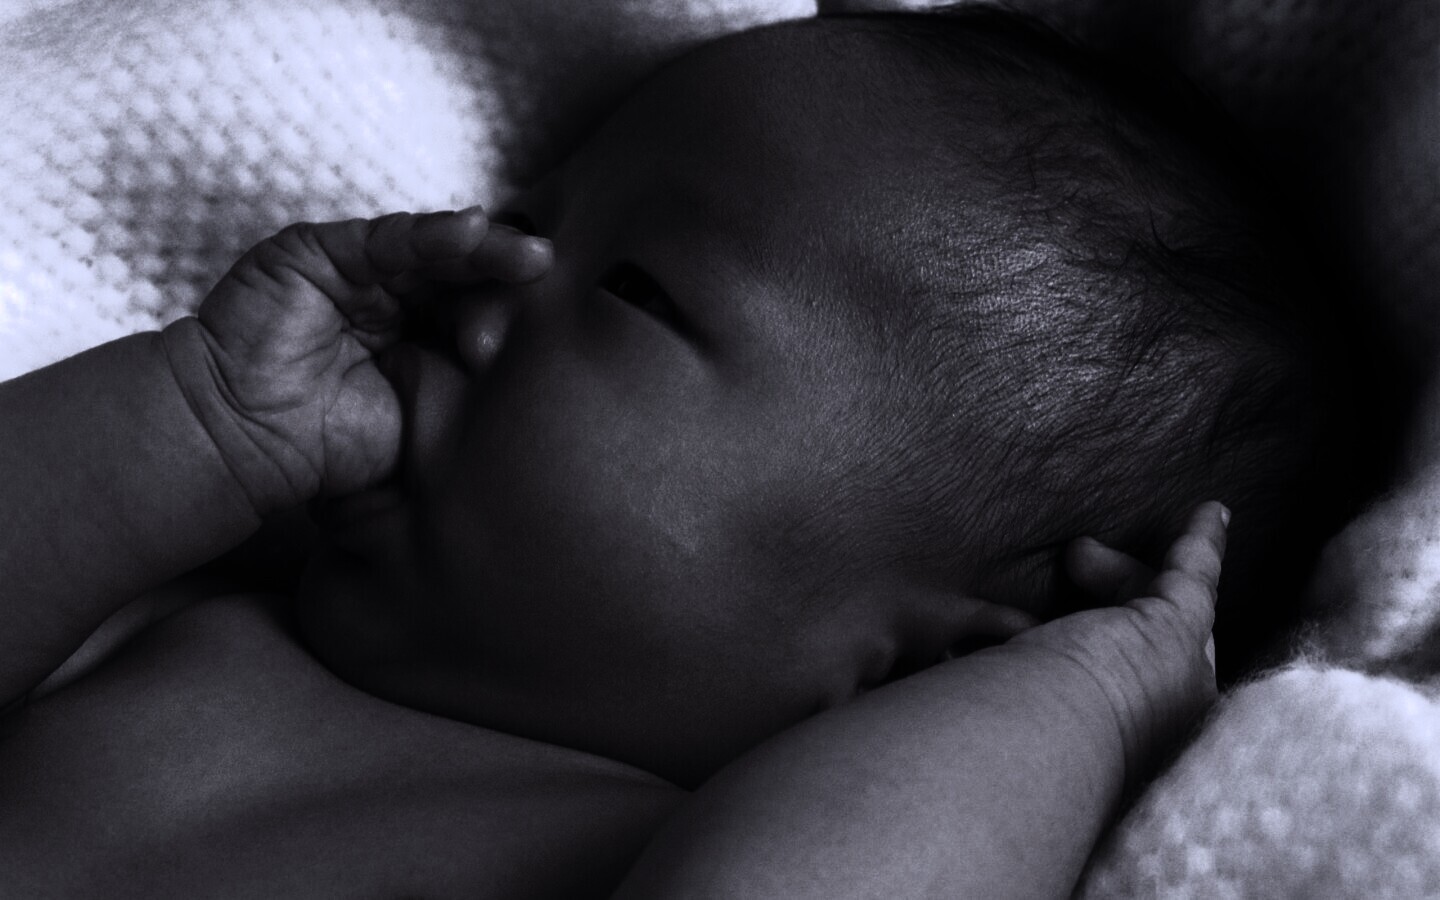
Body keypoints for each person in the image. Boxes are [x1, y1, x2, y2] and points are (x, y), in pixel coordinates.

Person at [0, 8, 1368, 897]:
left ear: (937, 663)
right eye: (519, 224)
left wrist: (1083, 698)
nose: (478, 276)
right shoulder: (196, 609)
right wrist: (202, 419)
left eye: (634, 289)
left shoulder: (658, 846)